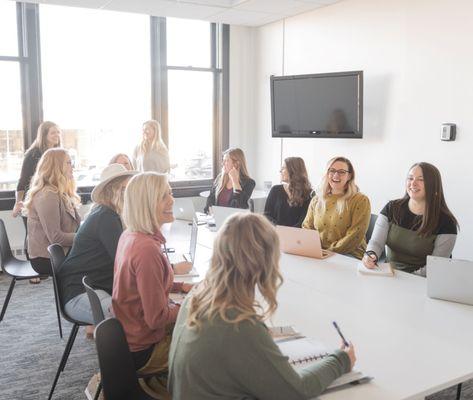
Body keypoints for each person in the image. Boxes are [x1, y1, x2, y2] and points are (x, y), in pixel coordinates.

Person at [168, 213, 356, 399]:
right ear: (264, 262)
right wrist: (341, 359)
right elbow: (296, 391)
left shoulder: (197, 294)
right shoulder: (238, 323)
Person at [112, 172, 193, 399]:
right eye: (164, 196)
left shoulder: (131, 235)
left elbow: (146, 284)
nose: (172, 200)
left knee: (205, 325)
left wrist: (181, 288)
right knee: (214, 342)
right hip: (144, 350)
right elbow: (156, 318)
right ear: (147, 204)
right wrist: (194, 305)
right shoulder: (146, 249)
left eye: (170, 193)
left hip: (128, 338)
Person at [57, 164, 137, 325]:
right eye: (126, 189)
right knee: (130, 317)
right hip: (79, 293)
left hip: (88, 287)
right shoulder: (106, 217)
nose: (131, 195)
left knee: (141, 307)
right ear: (114, 191)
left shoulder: (106, 213)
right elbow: (125, 262)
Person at [363, 162, 458, 274]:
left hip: (422, 280)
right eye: (410, 178)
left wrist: (407, 279)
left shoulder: (447, 222)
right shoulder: (391, 208)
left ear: (433, 185)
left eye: (421, 179)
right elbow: (376, 243)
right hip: (388, 274)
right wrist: (370, 255)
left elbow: (435, 267)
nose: (413, 183)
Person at [24, 148, 81, 275]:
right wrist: (85, 237)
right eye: (68, 163)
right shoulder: (47, 195)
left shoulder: (61, 192)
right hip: (46, 258)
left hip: (62, 251)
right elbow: (56, 237)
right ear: (56, 166)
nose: (72, 167)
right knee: (98, 261)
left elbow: (76, 226)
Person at [302, 156, 370, 259]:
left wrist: (327, 252)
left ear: (349, 176)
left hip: (349, 254)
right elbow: (307, 226)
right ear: (327, 174)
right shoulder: (317, 199)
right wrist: (315, 250)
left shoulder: (360, 200)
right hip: (319, 253)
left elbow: (354, 236)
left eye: (342, 172)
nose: (336, 175)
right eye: (332, 171)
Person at [12, 121, 62, 218]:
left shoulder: (58, 154)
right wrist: (18, 202)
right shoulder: (33, 154)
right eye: (53, 133)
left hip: (51, 198)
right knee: (35, 232)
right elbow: (23, 180)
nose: (57, 135)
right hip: (33, 201)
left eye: (58, 132)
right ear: (44, 135)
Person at [264, 157, 312, 227]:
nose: (280, 171)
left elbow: (304, 221)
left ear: (293, 170)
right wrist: (279, 229)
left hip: (296, 235)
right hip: (275, 233)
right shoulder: (275, 190)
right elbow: (266, 215)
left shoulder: (309, 194)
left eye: (283, 168)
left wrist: (288, 233)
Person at [204, 148, 255, 214]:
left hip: (235, 222)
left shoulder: (249, 183)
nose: (223, 163)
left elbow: (241, 205)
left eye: (226, 160)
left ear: (236, 164)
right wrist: (209, 212)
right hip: (216, 219)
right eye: (223, 160)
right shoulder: (219, 178)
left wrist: (235, 181)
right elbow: (210, 200)